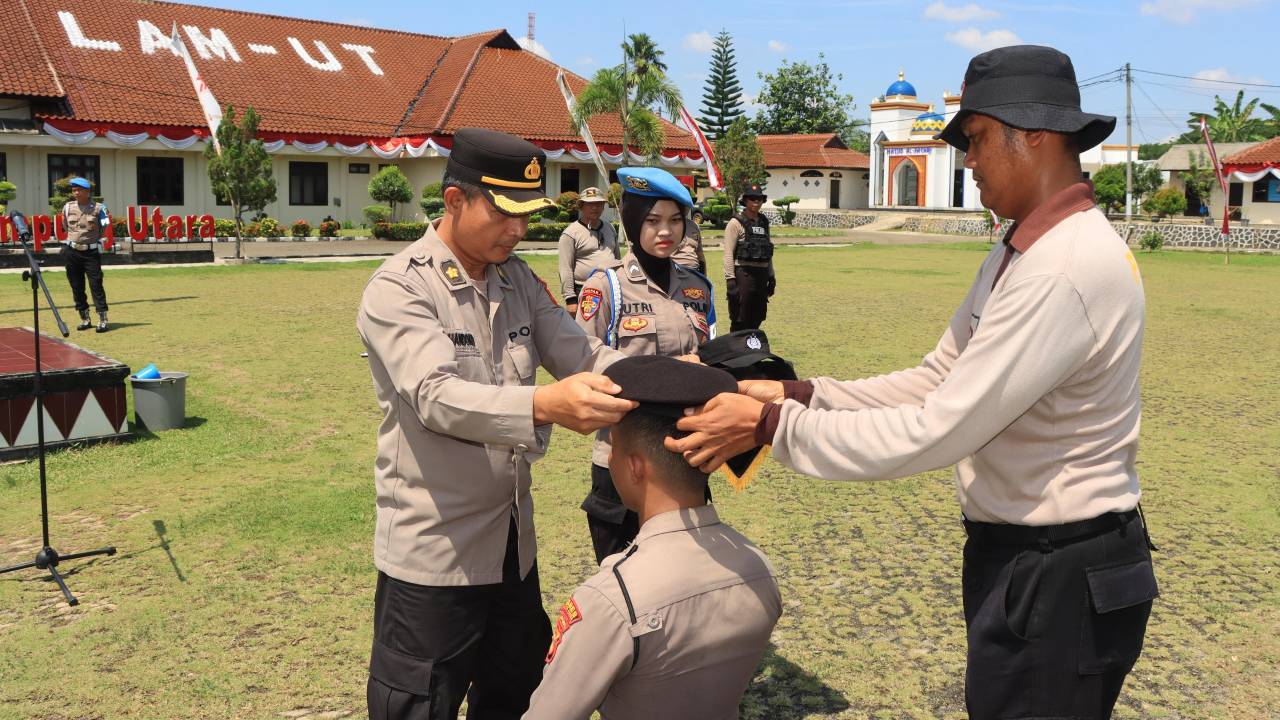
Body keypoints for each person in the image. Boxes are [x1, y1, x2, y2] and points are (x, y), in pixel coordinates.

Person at [668, 45, 1158, 720]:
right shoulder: (1022, 250)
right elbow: (937, 376)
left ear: (1037, 137)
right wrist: (797, 394)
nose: (969, 160)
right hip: (1026, 558)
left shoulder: (1064, 265)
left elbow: (939, 426)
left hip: (1060, 567)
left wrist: (768, 427)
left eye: (980, 140)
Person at [357, 127, 635, 720]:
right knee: (417, 707)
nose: (518, 229)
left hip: (512, 551)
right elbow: (435, 395)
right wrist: (543, 405)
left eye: (527, 215)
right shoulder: (401, 287)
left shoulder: (517, 280)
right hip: (435, 555)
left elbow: (583, 355)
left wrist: (676, 378)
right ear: (454, 201)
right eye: (504, 212)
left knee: (515, 697)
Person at [523, 355, 781, 720]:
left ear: (634, 467)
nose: (609, 459)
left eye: (613, 447)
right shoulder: (758, 568)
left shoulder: (611, 599)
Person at [574, 166, 717, 564]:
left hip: (684, 454)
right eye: (652, 221)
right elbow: (583, 365)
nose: (665, 231)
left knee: (684, 572)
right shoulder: (606, 287)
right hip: (624, 458)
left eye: (675, 220)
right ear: (634, 223)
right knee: (622, 575)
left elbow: (709, 357)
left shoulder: (697, 288)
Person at [557, 186, 620, 316]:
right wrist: (570, 299)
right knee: (586, 331)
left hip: (611, 287)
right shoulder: (570, 233)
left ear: (603, 206)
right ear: (581, 206)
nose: (594, 208)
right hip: (585, 289)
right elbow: (565, 268)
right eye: (590, 204)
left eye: (598, 204)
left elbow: (617, 258)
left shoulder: (610, 228)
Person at [721, 184, 774, 331]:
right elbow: (728, 253)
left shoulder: (764, 222)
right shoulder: (735, 223)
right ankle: (737, 351)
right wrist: (730, 280)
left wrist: (771, 276)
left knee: (758, 316)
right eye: (752, 198)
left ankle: (752, 350)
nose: (756, 202)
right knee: (740, 318)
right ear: (745, 200)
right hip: (743, 274)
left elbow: (768, 250)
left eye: (759, 199)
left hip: (762, 276)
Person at [61, 177, 110, 332]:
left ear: (87, 192)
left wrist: (96, 240)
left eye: (79, 190)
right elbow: (64, 225)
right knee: (76, 285)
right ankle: (85, 318)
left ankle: (102, 319)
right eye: (73, 190)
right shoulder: (67, 207)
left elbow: (105, 227)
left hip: (91, 252)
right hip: (72, 251)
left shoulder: (99, 208)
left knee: (96, 284)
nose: (75, 192)